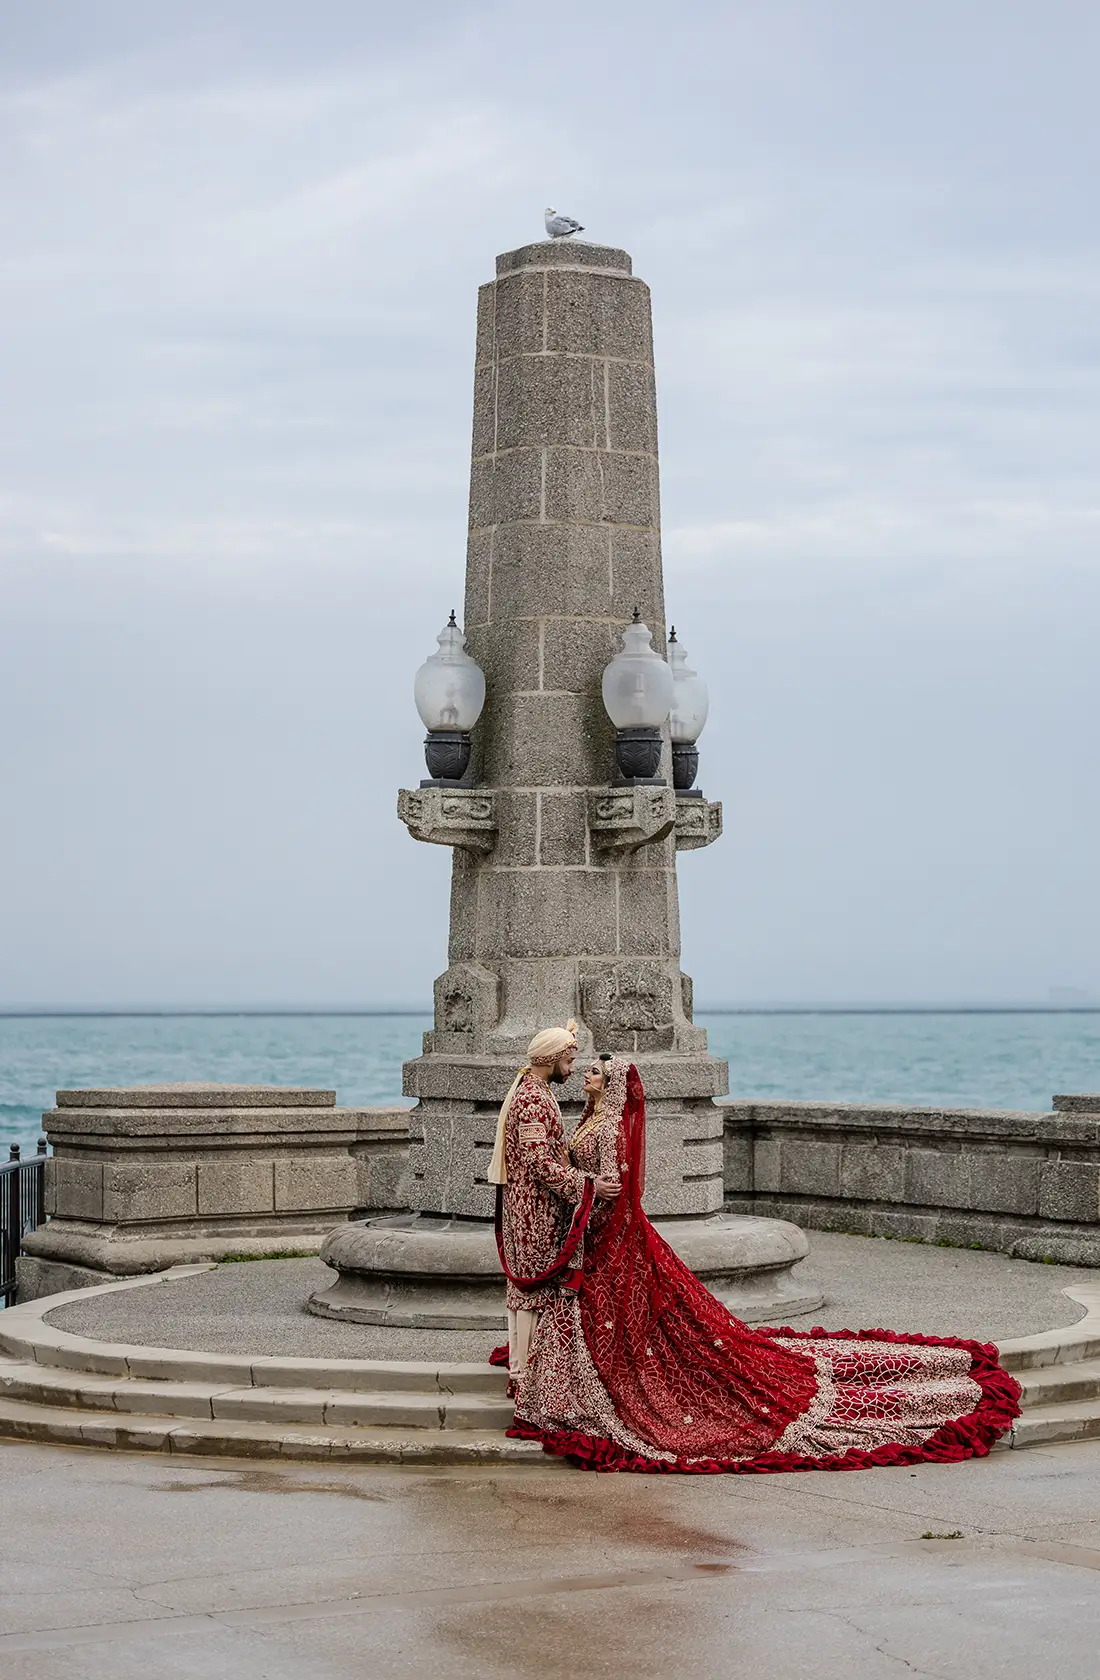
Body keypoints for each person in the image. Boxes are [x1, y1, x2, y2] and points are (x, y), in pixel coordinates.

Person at [506, 1055, 1021, 1473]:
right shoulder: (586, 1117)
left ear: (612, 1084)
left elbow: (615, 1182)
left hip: (606, 1229)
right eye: (587, 1066)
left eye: (597, 1070)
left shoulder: (611, 1127)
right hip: (589, 1227)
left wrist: (592, 1194)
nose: (587, 1072)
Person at [486, 1023, 619, 1396]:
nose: (573, 1067)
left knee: (526, 1289)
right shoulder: (533, 1099)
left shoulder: (536, 1090)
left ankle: (523, 1370)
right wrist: (587, 1186)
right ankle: (524, 1378)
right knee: (530, 1289)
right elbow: (539, 1163)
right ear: (554, 1058)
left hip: (534, 1205)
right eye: (570, 1059)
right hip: (534, 1210)